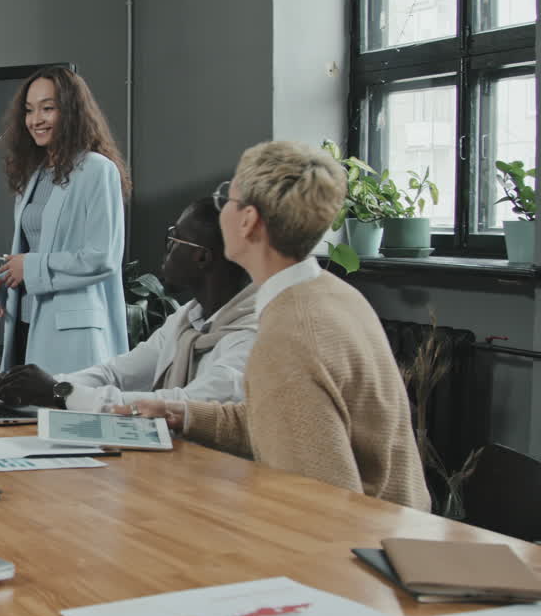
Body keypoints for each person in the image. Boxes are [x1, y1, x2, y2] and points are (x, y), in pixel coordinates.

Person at [114, 141, 430, 510]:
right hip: (394, 526)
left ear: (248, 221)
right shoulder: (330, 293)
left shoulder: (289, 334)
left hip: (365, 548)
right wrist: (186, 415)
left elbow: (320, 504)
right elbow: (290, 420)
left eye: (227, 201)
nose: (220, 212)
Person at [0, 196, 257, 411]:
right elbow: (117, 374)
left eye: (173, 239)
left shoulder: (251, 339)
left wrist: (59, 393)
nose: (166, 251)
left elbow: (180, 405)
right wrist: (29, 386)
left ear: (202, 258)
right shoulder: (188, 319)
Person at [0, 65, 130, 375]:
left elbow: (103, 257)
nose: (36, 120)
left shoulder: (97, 170)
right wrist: (4, 274)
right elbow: (39, 244)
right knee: (21, 419)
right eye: (29, 110)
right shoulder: (34, 174)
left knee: (59, 418)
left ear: (72, 112)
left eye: (48, 108)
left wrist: (30, 267)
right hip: (24, 321)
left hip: (70, 333)